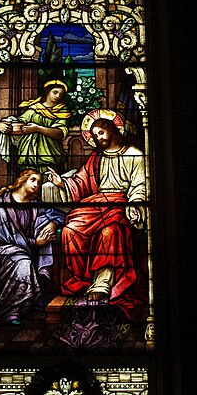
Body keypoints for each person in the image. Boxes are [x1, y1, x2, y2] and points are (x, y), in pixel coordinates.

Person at [46, 111, 148, 322]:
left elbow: (140, 185)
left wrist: (135, 203)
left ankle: (103, 282)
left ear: (112, 130)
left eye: (101, 133)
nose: (98, 138)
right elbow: (81, 181)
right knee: (70, 230)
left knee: (109, 232)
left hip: (121, 204)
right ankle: (83, 278)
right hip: (95, 204)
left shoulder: (134, 154)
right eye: (94, 135)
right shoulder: (96, 157)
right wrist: (62, 183)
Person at [0, 169, 65, 330]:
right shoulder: (1, 206)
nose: (36, 185)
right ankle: (10, 311)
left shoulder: (34, 206)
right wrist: (36, 242)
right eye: (33, 180)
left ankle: (18, 309)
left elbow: (59, 214)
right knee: (22, 263)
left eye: (39, 182)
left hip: (20, 251)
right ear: (21, 181)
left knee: (23, 259)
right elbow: (8, 238)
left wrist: (52, 223)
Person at [0, 79, 71, 177]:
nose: (57, 96)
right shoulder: (34, 109)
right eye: (55, 92)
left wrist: (37, 128)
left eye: (61, 94)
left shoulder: (62, 111)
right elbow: (18, 124)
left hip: (50, 155)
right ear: (47, 92)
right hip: (27, 155)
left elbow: (60, 133)